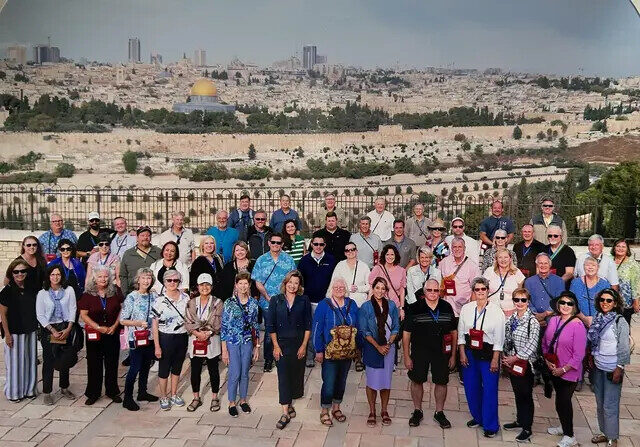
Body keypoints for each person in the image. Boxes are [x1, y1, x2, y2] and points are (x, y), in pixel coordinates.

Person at [404, 279, 457, 428]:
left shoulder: (447, 307)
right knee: (417, 380)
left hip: (442, 352)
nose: (433, 293)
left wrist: (453, 355)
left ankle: (439, 412)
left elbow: (454, 332)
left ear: (440, 292)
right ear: (424, 291)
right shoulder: (414, 308)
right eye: (429, 290)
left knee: (441, 381)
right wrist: (407, 356)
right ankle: (417, 411)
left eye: (436, 290)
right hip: (419, 351)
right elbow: (406, 334)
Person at [457, 277, 505, 438]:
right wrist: (462, 352)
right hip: (470, 351)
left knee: (490, 390)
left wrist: (495, 358)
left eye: (483, 289)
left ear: (488, 290)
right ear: (473, 291)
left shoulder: (496, 311)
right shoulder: (467, 309)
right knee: (471, 387)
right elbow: (461, 332)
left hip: (489, 353)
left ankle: (491, 425)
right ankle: (478, 417)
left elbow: (499, 337)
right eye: (477, 289)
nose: (480, 292)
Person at [267, 271, 312, 429]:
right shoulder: (275, 300)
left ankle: (290, 402)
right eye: (290, 282)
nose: (293, 285)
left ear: (299, 286)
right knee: (283, 376)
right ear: (285, 283)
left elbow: (308, 325)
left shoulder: (304, 300)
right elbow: (270, 325)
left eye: (296, 283)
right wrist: (276, 346)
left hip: (298, 344)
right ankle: (285, 411)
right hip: (281, 345)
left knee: (296, 375)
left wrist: (304, 345)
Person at [312, 278, 359, 427]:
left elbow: (357, 327)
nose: (339, 289)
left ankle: (336, 408)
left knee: (342, 381)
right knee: (329, 382)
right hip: (329, 352)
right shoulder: (323, 305)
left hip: (347, 352)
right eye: (336, 287)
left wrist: (358, 348)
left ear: (346, 289)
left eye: (342, 287)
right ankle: (325, 410)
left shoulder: (352, 305)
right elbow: (316, 329)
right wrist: (318, 350)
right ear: (331, 289)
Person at [543, 291, 587, 447]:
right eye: (563, 302)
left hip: (569, 372)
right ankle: (563, 427)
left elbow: (579, 354)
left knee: (564, 401)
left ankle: (570, 435)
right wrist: (548, 363)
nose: (565, 306)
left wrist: (563, 369)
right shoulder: (553, 320)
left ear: (574, 307)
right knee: (559, 401)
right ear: (558, 304)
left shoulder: (578, 325)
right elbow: (545, 343)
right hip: (553, 367)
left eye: (569, 303)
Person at [588, 289, 631, 447]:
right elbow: (594, 342)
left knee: (610, 404)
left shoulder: (620, 322)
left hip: (613, 368)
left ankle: (613, 437)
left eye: (609, 300)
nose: (605, 303)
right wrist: (591, 358)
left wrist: (619, 368)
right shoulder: (598, 318)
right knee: (600, 402)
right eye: (602, 300)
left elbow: (624, 347)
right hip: (598, 366)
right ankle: (604, 432)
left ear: (615, 303)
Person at [78, 266, 124, 405]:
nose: (103, 279)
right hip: (94, 333)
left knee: (112, 363)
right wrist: (98, 327)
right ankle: (93, 393)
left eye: (105, 276)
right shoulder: (87, 294)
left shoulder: (115, 291)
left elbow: (122, 309)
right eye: (100, 277)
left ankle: (112, 391)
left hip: (112, 332)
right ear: (94, 278)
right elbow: (83, 315)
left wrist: (115, 326)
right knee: (94, 363)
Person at [252, 233, 297, 372]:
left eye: (279, 242)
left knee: (284, 330)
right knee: (269, 332)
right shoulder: (262, 260)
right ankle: (268, 359)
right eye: (273, 242)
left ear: (282, 244)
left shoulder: (288, 260)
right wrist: (266, 296)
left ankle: (282, 357)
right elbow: (257, 281)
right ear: (269, 243)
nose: (276, 245)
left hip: (285, 302)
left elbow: (294, 279)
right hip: (267, 303)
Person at [501, 288, 540, 442]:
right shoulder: (511, 319)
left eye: (523, 300)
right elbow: (506, 338)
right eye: (517, 299)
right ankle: (519, 419)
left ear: (528, 302)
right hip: (512, 363)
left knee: (526, 395)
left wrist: (515, 358)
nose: (519, 303)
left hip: (526, 364)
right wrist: (506, 356)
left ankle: (527, 427)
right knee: (517, 393)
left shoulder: (533, 321)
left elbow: (532, 345)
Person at [359, 277, 399, 427]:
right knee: (372, 381)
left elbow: (395, 327)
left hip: (389, 349)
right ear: (373, 289)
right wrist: (378, 347)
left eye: (383, 288)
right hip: (372, 348)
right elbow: (364, 330)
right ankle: (372, 411)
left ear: (386, 290)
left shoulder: (392, 306)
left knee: (385, 381)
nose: (380, 291)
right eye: (377, 288)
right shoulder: (366, 307)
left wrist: (388, 344)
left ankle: (384, 410)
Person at [36, 265, 77, 405]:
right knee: (48, 360)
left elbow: (73, 309)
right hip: (49, 328)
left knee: (64, 359)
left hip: (65, 326)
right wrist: (52, 329)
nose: (55, 277)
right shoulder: (42, 293)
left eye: (58, 274)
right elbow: (40, 315)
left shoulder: (69, 290)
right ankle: (47, 391)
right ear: (48, 276)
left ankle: (64, 387)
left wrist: (69, 328)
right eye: (52, 275)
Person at [221, 272, 260, 417]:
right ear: (236, 285)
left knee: (244, 372)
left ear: (249, 285)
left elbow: (255, 326)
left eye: (246, 283)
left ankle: (243, 400)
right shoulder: (229, 303)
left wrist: (257, 347)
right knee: (234, 372)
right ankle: (232, 402)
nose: (243, 286)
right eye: (240, 283)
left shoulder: (254, 304)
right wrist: (224, 350)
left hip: (247, 341)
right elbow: (224, 326)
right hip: (232, 341)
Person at [120, 267, 159, 411]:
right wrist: (137, 323)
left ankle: (142, 392)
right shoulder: (132, 297)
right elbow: (123, 320)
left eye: (148, 278)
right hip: (136, 337)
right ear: (138, 280)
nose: (146, 281)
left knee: (145, 366)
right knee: (134, 367)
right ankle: (127, 398)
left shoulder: (153, 296)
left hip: (149, 337)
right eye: (143, 278)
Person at [0, 259, 39, 401]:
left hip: (31, 329)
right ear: (12, 273)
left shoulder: (31, 288)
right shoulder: (7, 291)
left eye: (23, 271)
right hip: (15, 331)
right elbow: (3, 315)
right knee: (15, 364)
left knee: (30, 361)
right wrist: (7, 335)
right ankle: (14, 393)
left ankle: (30, 390)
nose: (20, 274)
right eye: (16, 272)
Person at [151, 269, 190, 411]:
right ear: (164, 282)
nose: (172, 283)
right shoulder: (159, 300)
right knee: (164, 368)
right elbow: (154, 324)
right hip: (165, 337)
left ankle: (174, 393)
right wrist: (157, 346)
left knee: (177, 367)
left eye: (175, 280)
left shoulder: (186, 298)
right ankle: (163, 396)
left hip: (181, 335)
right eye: (169, 280)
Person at [185, 273, 223, 413]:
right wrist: (197, 334)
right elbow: (188, 321)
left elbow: (218, 322)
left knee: (213, 369)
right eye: (202, 285)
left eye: (207, 284)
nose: (204, 287)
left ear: (211, 286)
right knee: (195, 369)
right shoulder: (191, 302)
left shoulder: (217, 302)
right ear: (198, 287)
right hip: (195, 339)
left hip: (211, 339)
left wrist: (207, 333)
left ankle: (214, 397)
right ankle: (196, 397)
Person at [440, 237, 481, 317]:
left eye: (460, 247)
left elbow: (475, 289)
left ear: (464, 248)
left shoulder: (472, 266)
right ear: (451, 248)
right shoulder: (444, 262)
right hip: (446, 308)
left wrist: (471, 308)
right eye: (455, 247)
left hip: (463, 309)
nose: (457, 249)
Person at [525, 253, 566, 327]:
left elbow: (560, 300)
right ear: (537, 265)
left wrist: (545, 314)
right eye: (540, 263)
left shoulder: (559, 281)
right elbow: (527, 300)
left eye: (546, 263)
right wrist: (535, 315)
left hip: (553, 318)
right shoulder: (529, 281)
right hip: (534, 318)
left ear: (550, 265)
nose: (543, 265)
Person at [119, 226, 162, 295]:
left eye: (148, 235)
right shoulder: (128, 254)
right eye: (142, 235)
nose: (145, 238)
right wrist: (125, 293)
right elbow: (123, 275)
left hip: (154, 293)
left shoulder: (158, 252)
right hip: (133, 293)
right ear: (137, 237)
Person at [483, 248, 525, 316]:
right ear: (496, 259)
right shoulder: (489, 271)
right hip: (491, 311)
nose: (503, 260)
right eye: (500, 257)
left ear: (510, 259)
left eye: (506, 257)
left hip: (511, 311)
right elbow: (482, 291)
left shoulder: (517, 273)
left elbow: (519, 295)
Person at [570, 257, 611, 326]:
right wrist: (584, 318)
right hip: (578, 320)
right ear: (583, 267)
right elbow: (571, 303)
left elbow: (608, 305)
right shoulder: (575, 283)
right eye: (587, 265)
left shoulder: (605, 284)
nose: (590, 267)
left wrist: (596, 319)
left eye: (593, 265)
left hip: (599, 322)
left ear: (598, 267)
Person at [368, 245, 406, 317]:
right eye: (387, 254)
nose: (390, 257)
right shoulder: (378, 268)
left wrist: (401, 308)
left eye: (392, 254)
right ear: (384, 256)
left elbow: (402, 290)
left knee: (394, 327)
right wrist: (368, 305)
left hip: (395, 306)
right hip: (379, 306)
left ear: (396, 256)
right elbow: (371, 288)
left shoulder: (402, 271)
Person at [330, 242, 371, 307]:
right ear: (345, 253)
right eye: (347, 250)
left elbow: (370, 286)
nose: (350, 252)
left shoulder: (364, 266)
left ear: (356, 251)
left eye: (353, 249)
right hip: (342, 303)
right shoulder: (340, 265)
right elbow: (333, 284)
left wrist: (358, 288)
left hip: (360, 303)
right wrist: (347, 288)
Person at [611, 239, 640, 326]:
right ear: (614, 248)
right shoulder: (608, 260)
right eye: (618, 246)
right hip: (609, 300)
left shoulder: (632, 264)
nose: (620, 248)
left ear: (627, 249)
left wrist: (636, 301)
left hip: (625, 302)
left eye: (623, 247)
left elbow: (635, 284)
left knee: (623, 326)